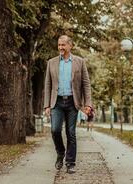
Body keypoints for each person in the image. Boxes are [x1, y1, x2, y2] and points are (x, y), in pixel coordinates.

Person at [44, 35, 92, 174]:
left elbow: (86, 84)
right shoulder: (51, 63)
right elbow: (47, 84)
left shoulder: (79, 62)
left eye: (63, 45)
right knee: (55, 130)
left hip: (73, 102)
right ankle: (60, 152)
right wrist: (47, 105)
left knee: (71, 133)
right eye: (59, 45)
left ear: (70, 46)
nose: (61, 48)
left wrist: (88, 103)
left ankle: (70, 163)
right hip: (56, 102)